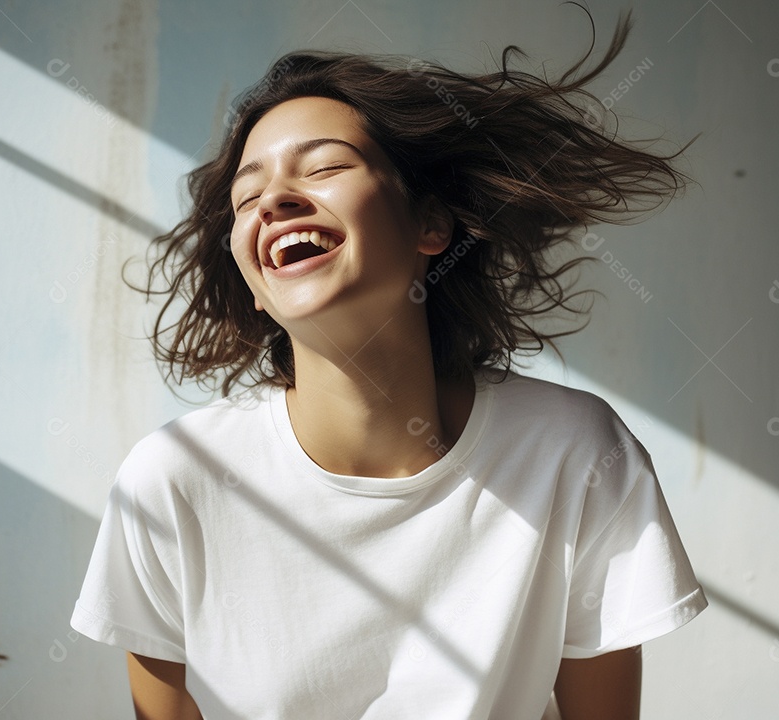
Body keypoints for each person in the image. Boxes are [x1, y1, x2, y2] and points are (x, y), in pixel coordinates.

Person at [71, 7, 708, 719]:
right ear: (252, 283)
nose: (275, 201)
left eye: (325, 167)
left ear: (431, 225)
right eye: (248, 198)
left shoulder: (573, 454)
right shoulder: (172, 484)